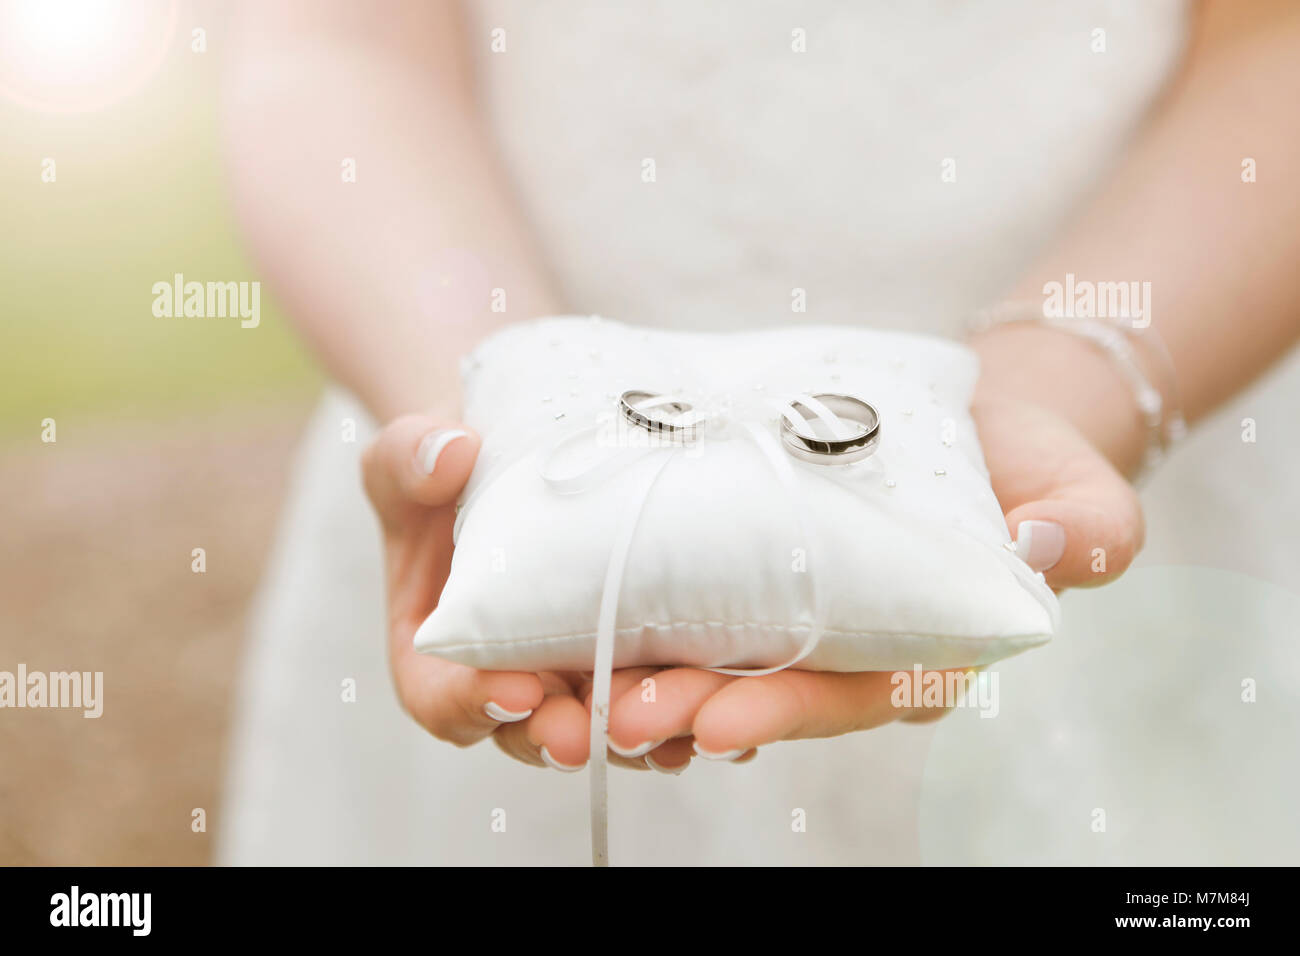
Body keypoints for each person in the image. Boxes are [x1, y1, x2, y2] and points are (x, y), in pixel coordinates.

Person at [216, 0, 1300, 864]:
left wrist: (1060, 392)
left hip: (1159, 306)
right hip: (466, 332)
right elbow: (335, 39)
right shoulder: (507, 455)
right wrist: (497, 423)